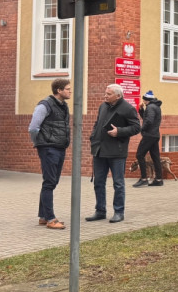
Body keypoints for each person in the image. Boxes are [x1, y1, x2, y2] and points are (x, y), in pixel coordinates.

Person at [85, 83, 141, 224]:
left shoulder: (127, 109)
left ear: (118, 95)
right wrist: (93, 136)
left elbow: (136, 127)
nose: (105, 96)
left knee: (118, 183)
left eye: (108, 94)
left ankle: (119, 212)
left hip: (117, 152)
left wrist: (119, 132)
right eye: (105, 93)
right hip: (99, 150)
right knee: (98, 182)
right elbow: (98, 123)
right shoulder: (103, 106)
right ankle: (100, 211)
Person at [28, 78, 72, 230]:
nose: (70, 91)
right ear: (59, 91)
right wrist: (39, 142)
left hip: (59, 147)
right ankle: (51, 219)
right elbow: (33, 127)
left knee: (51, 182)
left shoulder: (63, 106)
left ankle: (43, 216)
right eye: (67, 89)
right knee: (49, 183)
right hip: (48, 148)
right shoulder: (45, 105)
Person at [133, 90, 164, 187]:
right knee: (155, 157)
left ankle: (143, 179)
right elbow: (147, 118)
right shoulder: (156, 107)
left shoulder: (150, 107)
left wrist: (142, 129)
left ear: (147, 100)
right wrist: (141, 110)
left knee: (139, 155)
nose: (143, 101)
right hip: (155, 135)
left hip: (149, 136)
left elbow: (149, 121)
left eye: (144, 99)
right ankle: (158, 179)